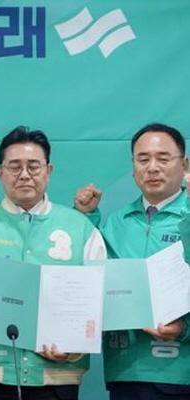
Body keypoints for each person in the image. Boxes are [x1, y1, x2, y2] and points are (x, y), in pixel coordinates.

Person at [0, 126, 107, 400]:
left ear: (48, 170)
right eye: (14, 167)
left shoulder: (80, 227)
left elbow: (99, 299)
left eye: (33, 166)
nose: (24, 174)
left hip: (59, 375)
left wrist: (75, 347)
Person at [75, 123, 190, 400]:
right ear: (133, 166)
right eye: (143, 159)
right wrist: (86, 218)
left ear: (184, 164)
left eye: (163, 159)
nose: (152, 168)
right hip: (125, 372)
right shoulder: (115, 223)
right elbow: (86, 279)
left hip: (182, 374)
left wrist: (184, 329)